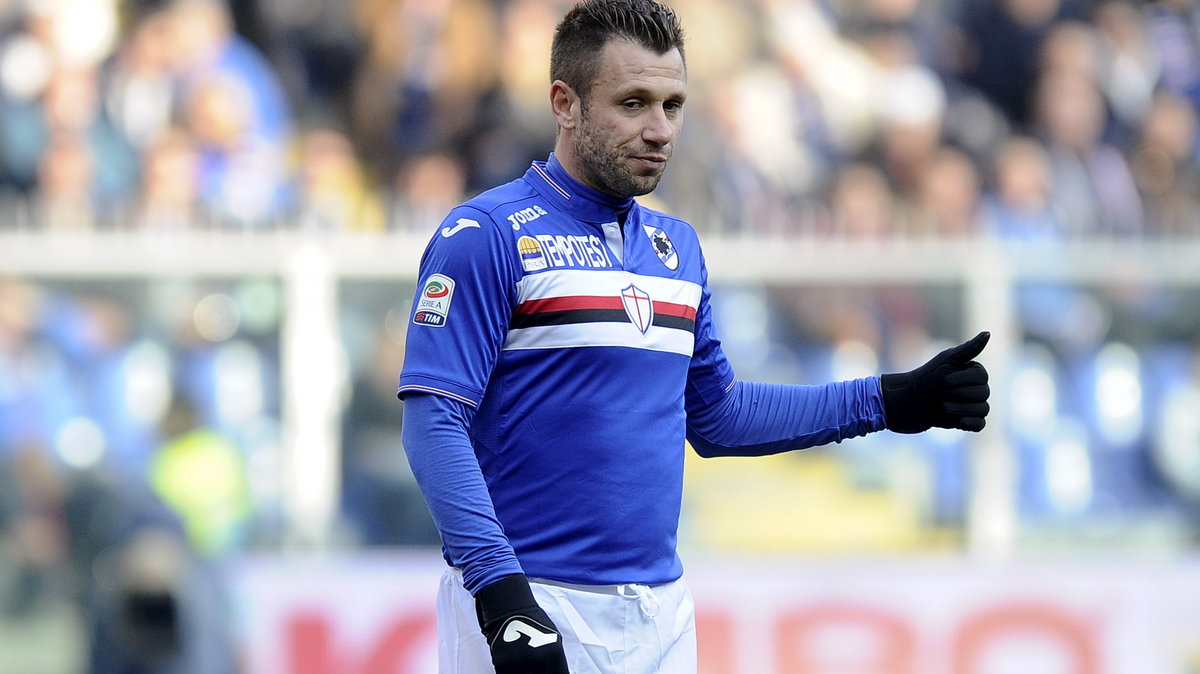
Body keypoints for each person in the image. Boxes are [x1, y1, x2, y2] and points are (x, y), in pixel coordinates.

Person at [396, 1, 991, 672]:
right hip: (533, 606)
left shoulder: (675, 248)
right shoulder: (486, 235)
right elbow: (433, 420)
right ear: (565, 103)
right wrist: (500, 592)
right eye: (633, 103)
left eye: (673, 106)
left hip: (664, 614)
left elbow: (717, 415)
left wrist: (885, 401)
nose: (659, 129)